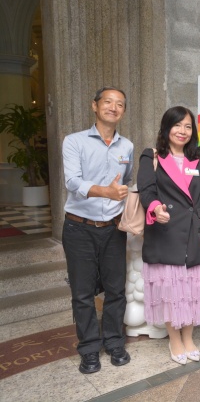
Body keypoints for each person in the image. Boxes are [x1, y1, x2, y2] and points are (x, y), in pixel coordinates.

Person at [138, 106, 200, 364]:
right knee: (172, 290)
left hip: (194, 233)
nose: (182, 131)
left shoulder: (198, 159)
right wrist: (155, 208)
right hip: (166, 231)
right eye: (177, 125)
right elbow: (146, 189)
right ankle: (174, 339)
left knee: (193, 288)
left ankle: (189, 337)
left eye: (188, 126)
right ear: (166, 128)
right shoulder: (151, 155)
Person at [62, 86, 133, 374]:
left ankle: (114, 341)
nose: (113, 107)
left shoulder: (127, 147)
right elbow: (72, 182)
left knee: (116, 289)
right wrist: (106, 191)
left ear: (123, 111)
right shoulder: (74, 141)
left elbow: (127, 183)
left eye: (120, 104)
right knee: (82, 292)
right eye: (108, 102)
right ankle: (89, 348)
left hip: (114, 229)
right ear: (95, 106)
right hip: (79, 228)